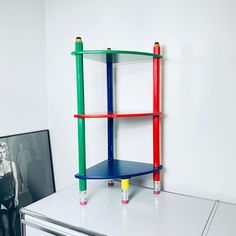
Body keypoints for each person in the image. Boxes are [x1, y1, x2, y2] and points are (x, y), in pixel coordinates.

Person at [0, 142, 19, 236]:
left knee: (12, 227)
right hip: (1, 203)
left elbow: (16, 181)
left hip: (12, 200)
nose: (1, 155)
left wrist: (16, 198)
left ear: (6, 152)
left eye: (3, 152)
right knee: (6, 229)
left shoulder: (11, 164)